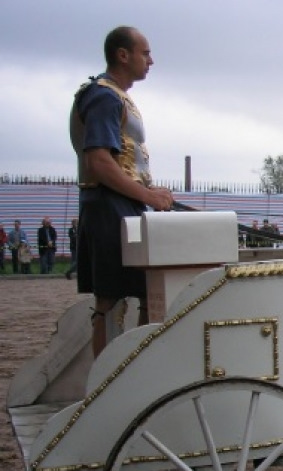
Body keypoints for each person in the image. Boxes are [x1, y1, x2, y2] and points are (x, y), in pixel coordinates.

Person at [70, 25, 174, 356]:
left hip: (117, 203)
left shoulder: (113, 95)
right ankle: (113, 383)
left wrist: (148, 191)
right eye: (145, 53)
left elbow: (120, 162)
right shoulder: (105, 95)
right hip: (110, 207)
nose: (151, 61)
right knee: (113, 296)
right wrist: (148, 197)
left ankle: (125, 377)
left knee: (143, 289)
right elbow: (99, 162)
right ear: (123, 55)